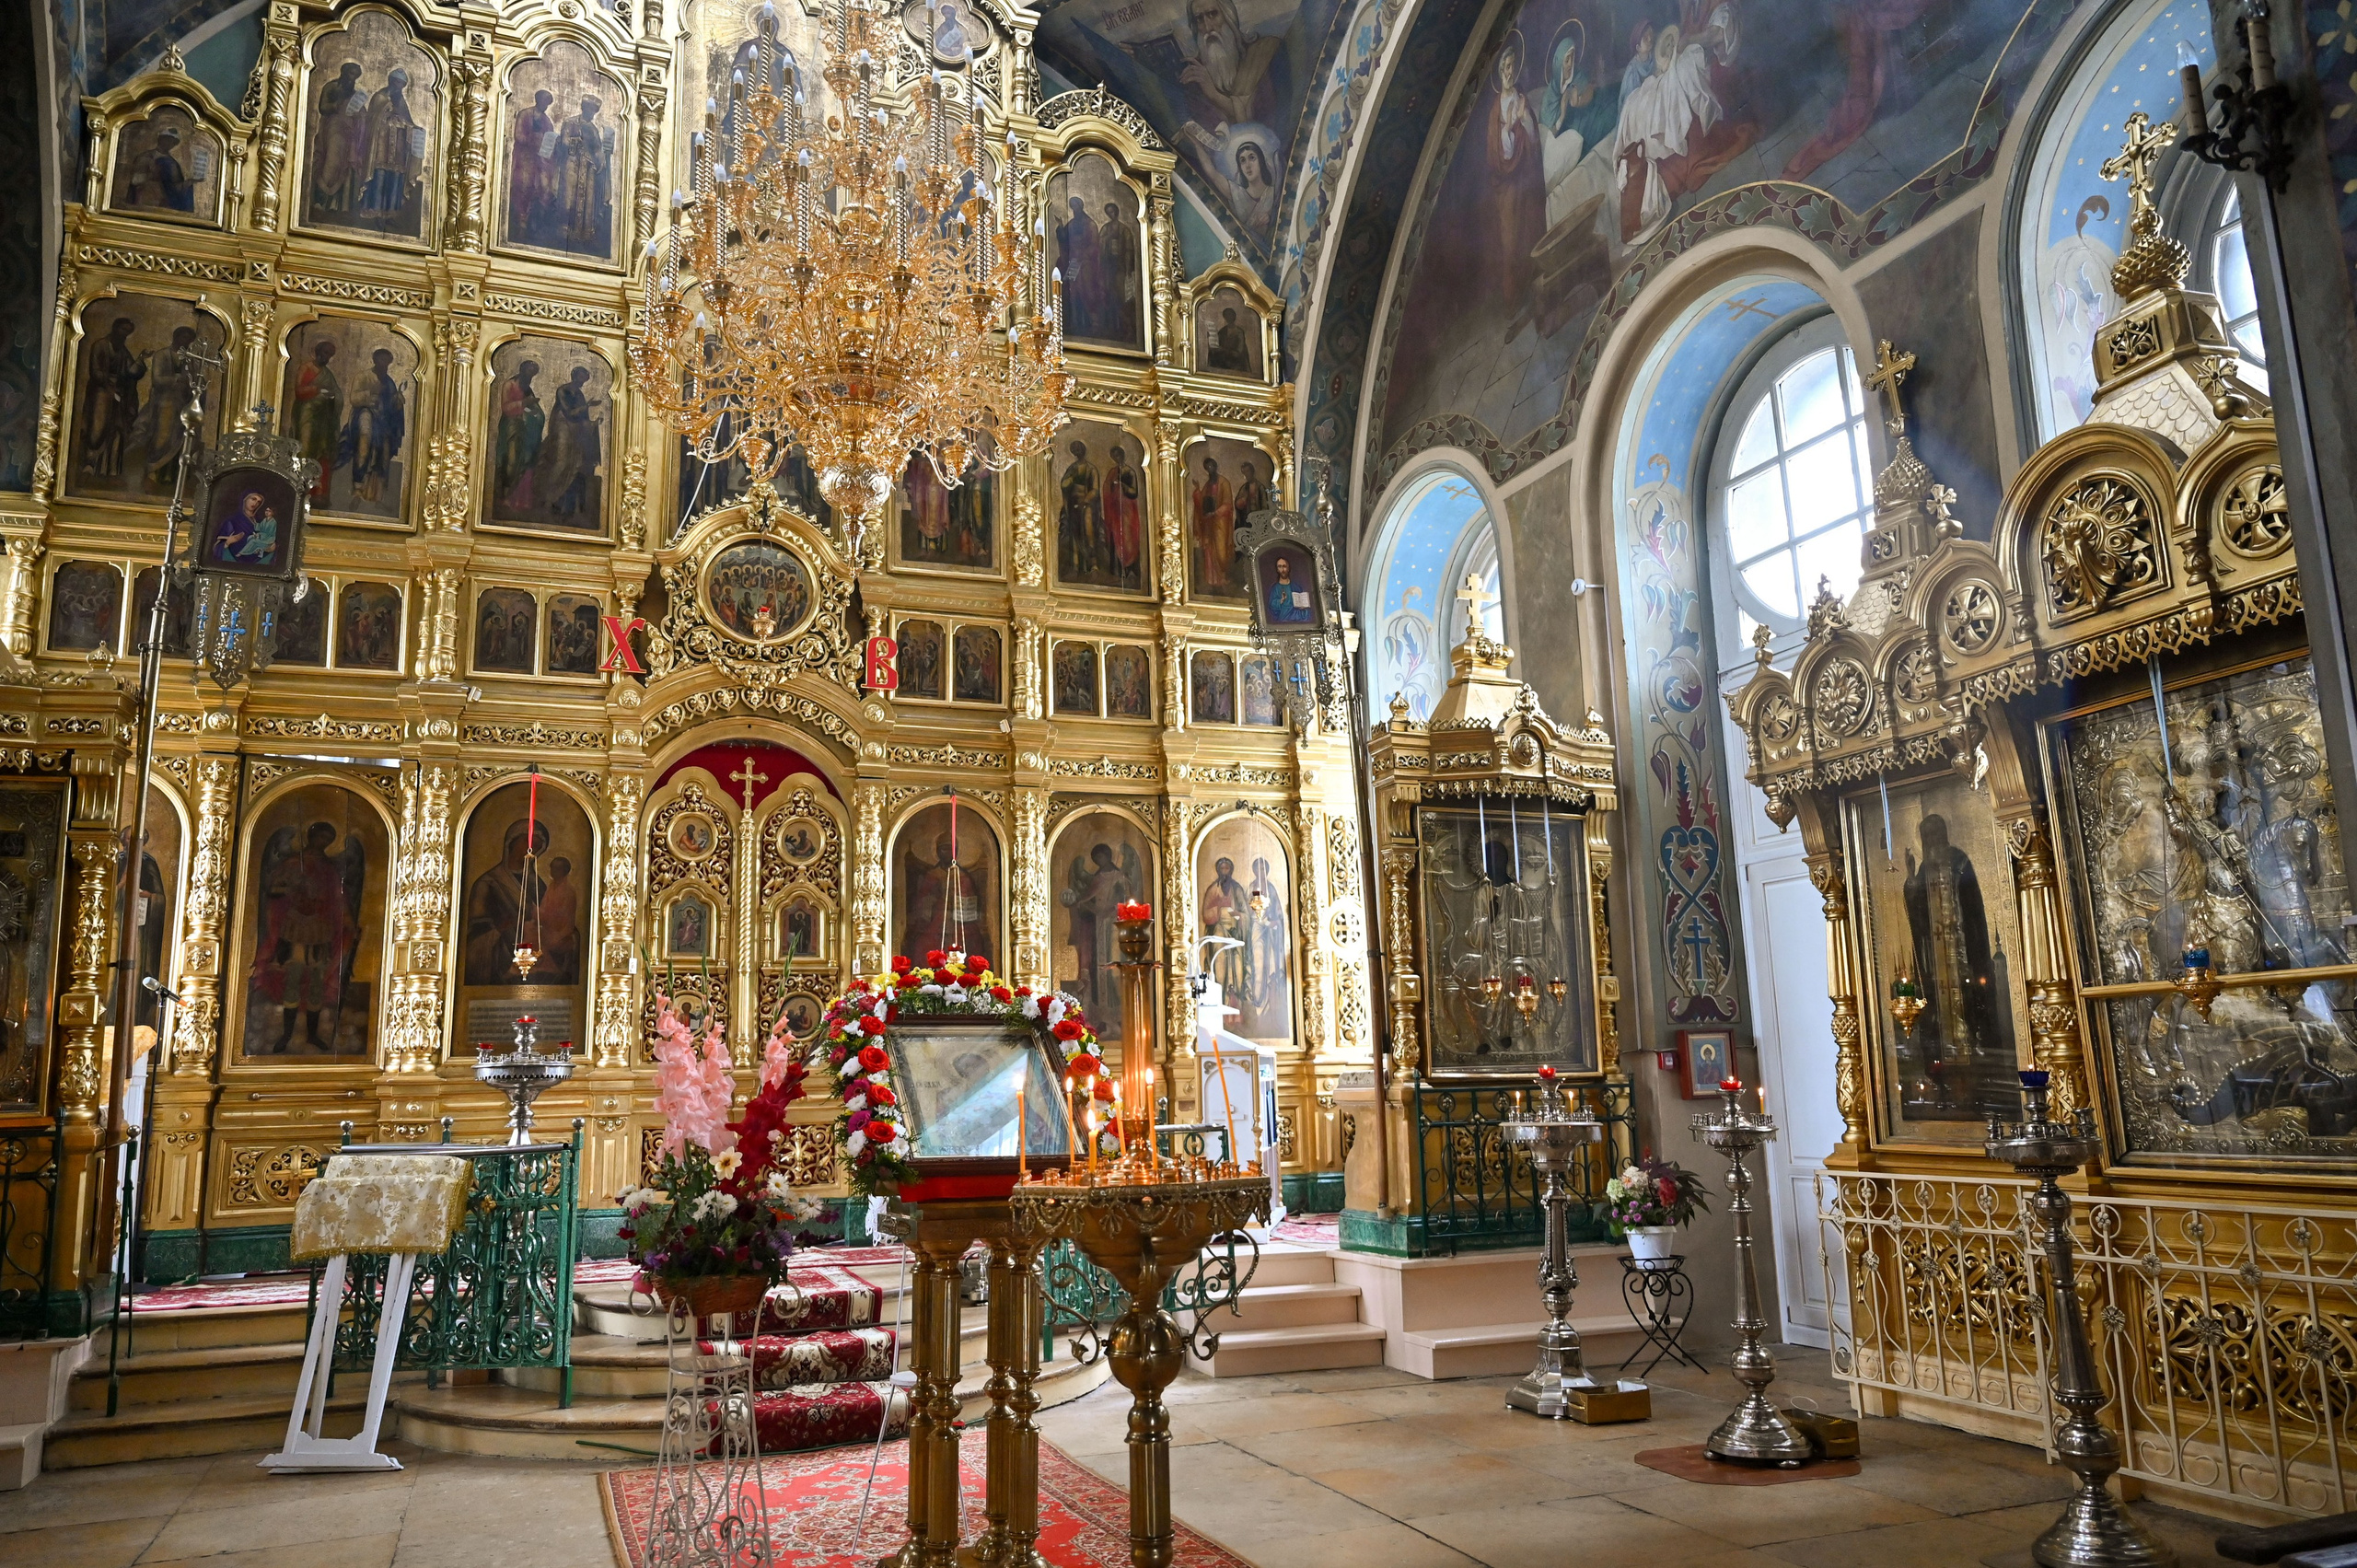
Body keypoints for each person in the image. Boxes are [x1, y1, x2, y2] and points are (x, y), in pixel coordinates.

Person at [1484, 34, 1547, 322]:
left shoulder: (1521, 99)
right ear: (1499, 73)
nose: (1510, 71)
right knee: (1510, 241)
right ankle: (1513, 300)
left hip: (1525, 181)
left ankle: (1536, 288)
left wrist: (1522, 120)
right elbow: (1497, 157)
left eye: (1512, 65)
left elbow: (1534, 140)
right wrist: (1508, 128)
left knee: (1531, 229)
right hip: (1507, 188)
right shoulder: (1496, 110)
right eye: (1505, 67)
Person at [78, 318, 145, 479]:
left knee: (117, 428)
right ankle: (90, 463)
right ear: (115, 328)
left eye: (127, 332)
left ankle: (109, 468)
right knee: (98, 427)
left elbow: (131, 372)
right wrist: (109, 384)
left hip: (118, 394)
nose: (124, 335)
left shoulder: (123, 351)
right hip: (101, 391)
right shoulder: (101, 345)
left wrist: (141, 360)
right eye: (123, 330)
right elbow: (95, 371)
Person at [535, 365, 602, 522]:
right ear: (574, 375)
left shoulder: (579, 394)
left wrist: (593, 423)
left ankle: (558, 500)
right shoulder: (563, 390)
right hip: (562, 426)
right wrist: (587, 406)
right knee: (561, 462)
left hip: (576, 430)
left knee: (575, 463)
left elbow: (582, 418)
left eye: (584, 378)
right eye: (580, 376)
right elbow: (568, 411)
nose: (582, 380)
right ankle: (546, 498)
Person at [340, 347, 406, 506]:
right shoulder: (363, 377)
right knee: (365, 440)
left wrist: (397, 401)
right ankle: (357, 487)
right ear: (375, 360)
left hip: (383, 420)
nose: (384, 364)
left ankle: (376, 493)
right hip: (365, 413)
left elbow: (391, 408)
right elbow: (354, 398)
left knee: (383, 450)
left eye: (387, 361)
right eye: (381, 360)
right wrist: (370, 394)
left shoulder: (389, 382)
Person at [359, 67, 423, 230]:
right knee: (379, 176)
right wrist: (387, 112)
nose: (399, 88)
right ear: (391, 81)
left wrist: (414, 128)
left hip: (398, 146)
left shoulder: (400, 101)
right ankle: (374, 211)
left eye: (402, 85)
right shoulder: (380, 97)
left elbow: (407, 120)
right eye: (397, 84)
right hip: (381, 144)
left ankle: (390, 213)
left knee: (395, 177)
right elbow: (372, 120)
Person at [552, 97, 613, 255]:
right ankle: (564, 230)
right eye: (590, 109)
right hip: (572, 164)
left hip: (588, 168)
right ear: (584, 108)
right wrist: (575, 141)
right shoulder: (570, 122)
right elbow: (564, 142)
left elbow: (598, 149)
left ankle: (583, 233)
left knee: (587, 200)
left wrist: (602, 162)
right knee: (568, 197)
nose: (592, 114)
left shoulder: (593, 129)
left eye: (594, 111)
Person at [310, 62, 368, 216]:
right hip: (332, 129)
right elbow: (323, 108)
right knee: (332, 161)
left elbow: (361, 113)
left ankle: (336, 204)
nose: (353, 79)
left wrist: (360, 114)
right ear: (344, 73)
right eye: (351, 74)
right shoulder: (331, 87)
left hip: (349, 133)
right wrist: (338, 104)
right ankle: (320, 199)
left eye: (355, 76)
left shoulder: (354, 94)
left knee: (346, 163)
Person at [290, 339, 343, 502]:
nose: (326, 357)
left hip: (324, 419)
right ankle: (300, 490)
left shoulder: (328, 373)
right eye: (325, 353)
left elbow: (337, 394)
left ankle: (318, 492)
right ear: (318, 351)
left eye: (329, 355)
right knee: (305, 449)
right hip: (307, 415)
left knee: (323, 452)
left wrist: (333, 396)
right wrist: (318, 390)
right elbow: (299, 391)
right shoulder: (306, 367)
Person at [508, 88, 558, 245]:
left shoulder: (547, 121)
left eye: (548, 103)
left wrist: (550, 145)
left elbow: (549, 141)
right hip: (525, 159)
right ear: (538, 100)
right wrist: (533, 139)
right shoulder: (525, 114)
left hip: (540, 160)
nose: (545, 105)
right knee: (524, 186)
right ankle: (520, 222)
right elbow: (518, 135)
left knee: (543, 187)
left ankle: (535, 223)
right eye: (544, 101)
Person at [495, 360, 545, 512]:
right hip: (511, 428)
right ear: (522, 370)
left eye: (533, 375)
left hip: (526, 431)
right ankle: (505, 497)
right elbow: (505, 407)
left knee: (526, 460)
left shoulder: (528, 390)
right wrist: (523, 403)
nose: (530, 377)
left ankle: (519, 499)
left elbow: (535, 409)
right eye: (529, 373)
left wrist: (537, 413)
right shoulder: (509, 385)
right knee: (511, 460)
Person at [1057, 439, 1099, 581]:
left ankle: (1093, 565)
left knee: (1088, 533)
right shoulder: (1073, 468)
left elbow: (1095, 489)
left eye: (1078, 449)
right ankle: (1075, 566)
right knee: (1074, 534)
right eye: (1074, 450)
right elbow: (1064, 484)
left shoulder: (1091, 468)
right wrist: (1071, 478)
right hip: (1073, 505)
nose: (1076, 451)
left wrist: (1086, 500)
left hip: (1086, 505)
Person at [1193, 455, 1237, 594]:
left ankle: (1222, 577)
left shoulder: (1224, 483)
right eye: (1207, 468)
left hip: (1220, 523)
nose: (1209, 470)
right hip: (1209, 523)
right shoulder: (1208, 484)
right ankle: (1212, 580)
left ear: (1215, 467)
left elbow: (1228, 504)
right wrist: (1197, 491)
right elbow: (1202, 502)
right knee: (1209, 550)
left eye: (1211, 467)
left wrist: (1216, 513)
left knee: (1221, 551)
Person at [1102, 443, 1143, 587]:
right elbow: (1106, 489)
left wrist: (1121, 485)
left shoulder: (1130, 472)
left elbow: (1134, 492)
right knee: (1115, 536)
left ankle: (1130, 567)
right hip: (1114, 510)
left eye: (1118, 455)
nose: (1116, 458)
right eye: (1114, 456)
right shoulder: (1112, 472)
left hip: (1128, 509)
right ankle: (1118, 571)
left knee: (1128, 537)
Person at [141, 125, 197, 212]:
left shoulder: (173, 163)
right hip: (149, 198)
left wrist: (188, 183)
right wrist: (151, 175)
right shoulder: (146, 156)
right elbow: (136, 180)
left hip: (168, 201)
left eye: (173, 142)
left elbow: (174, 186)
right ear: (160, 139)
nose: (169, 144)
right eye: (167, 139)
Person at [1265, 552, 1315, 624]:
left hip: (1297, 618)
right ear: (1277, 569)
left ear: (1288, 568)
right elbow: (1271, 607)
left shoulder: (1296, 587)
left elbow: (1304, 606)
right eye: (1280, 566)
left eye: (1284, 566)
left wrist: (1303, 607)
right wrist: (1281, 600)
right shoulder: (1275, 588)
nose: (1282, 569)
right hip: (1284, 620)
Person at [1208, 305, 1253, 374]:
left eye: (1230, 315)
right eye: (1227, 316)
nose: (1229, 317)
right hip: (1224, 360)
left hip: (1236, 362)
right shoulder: (1222, 331)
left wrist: (1225, 351)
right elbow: (1217, 345)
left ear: (1234, 317)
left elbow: (1239, 352)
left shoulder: (1239, 332)